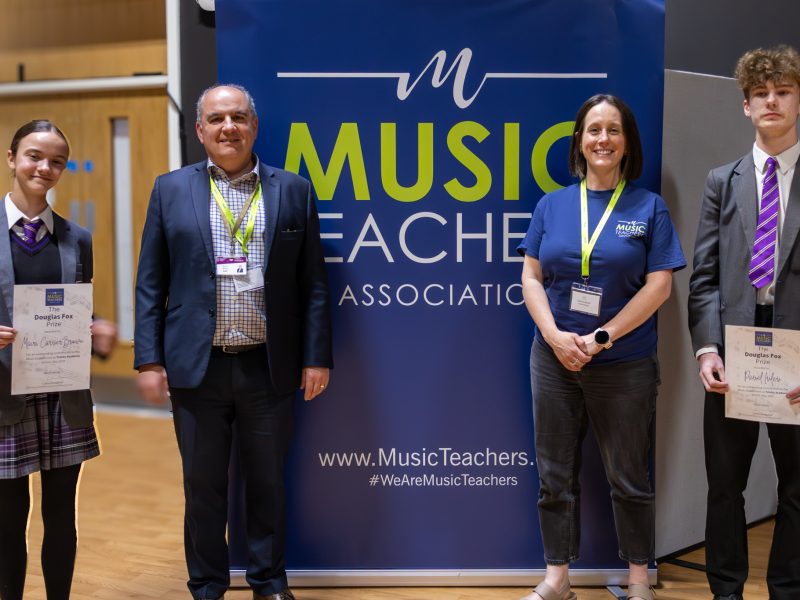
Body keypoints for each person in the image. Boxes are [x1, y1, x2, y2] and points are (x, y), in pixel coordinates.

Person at [134, 84, 333, 600]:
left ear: (254, 127)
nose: (229, 127)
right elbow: (151, 282)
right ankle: (207, 584)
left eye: (239, 118)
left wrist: (316, 357)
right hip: (196, 367)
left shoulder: (294, 190)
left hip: (269, 366)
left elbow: (313, 284)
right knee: (202, 487)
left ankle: (269, 581)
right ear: (200, 130)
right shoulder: (170, 189)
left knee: (267, 481)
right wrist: (149, 360)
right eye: (218, 119)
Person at [518, 94, 685, 600]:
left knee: (629, 476)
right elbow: (531, 277)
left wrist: (601, 337)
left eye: (614, 130)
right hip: (554, 359)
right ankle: (557, 579)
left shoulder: (649, 207)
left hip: (623, 362)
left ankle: (638, 579)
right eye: (594, 130)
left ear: (627, 142)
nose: (603, 139)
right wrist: (555, 337)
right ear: (579, 141)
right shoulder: (551, 205)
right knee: (554, 474)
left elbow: (660, 286)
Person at [688, 45, 800, 600]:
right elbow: (703, 277)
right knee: (724, 487)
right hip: (732, 358)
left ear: (798, 100)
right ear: (746, 105)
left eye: (783, 91)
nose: (771, 101)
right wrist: (707, 350)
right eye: (761, 93)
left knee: (797, 490)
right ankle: (726, 592)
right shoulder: (721, 181)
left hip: (796, 361)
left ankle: (788, 590)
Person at [0, 120, 117, 600]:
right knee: (8, 521)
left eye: (56, 161)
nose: (44, 168)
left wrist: (97, 329)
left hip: (63, 396)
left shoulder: (77, 238)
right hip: (3, 395)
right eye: (34, 156)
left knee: (61, 517)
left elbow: (71, 309)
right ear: (12, 158)